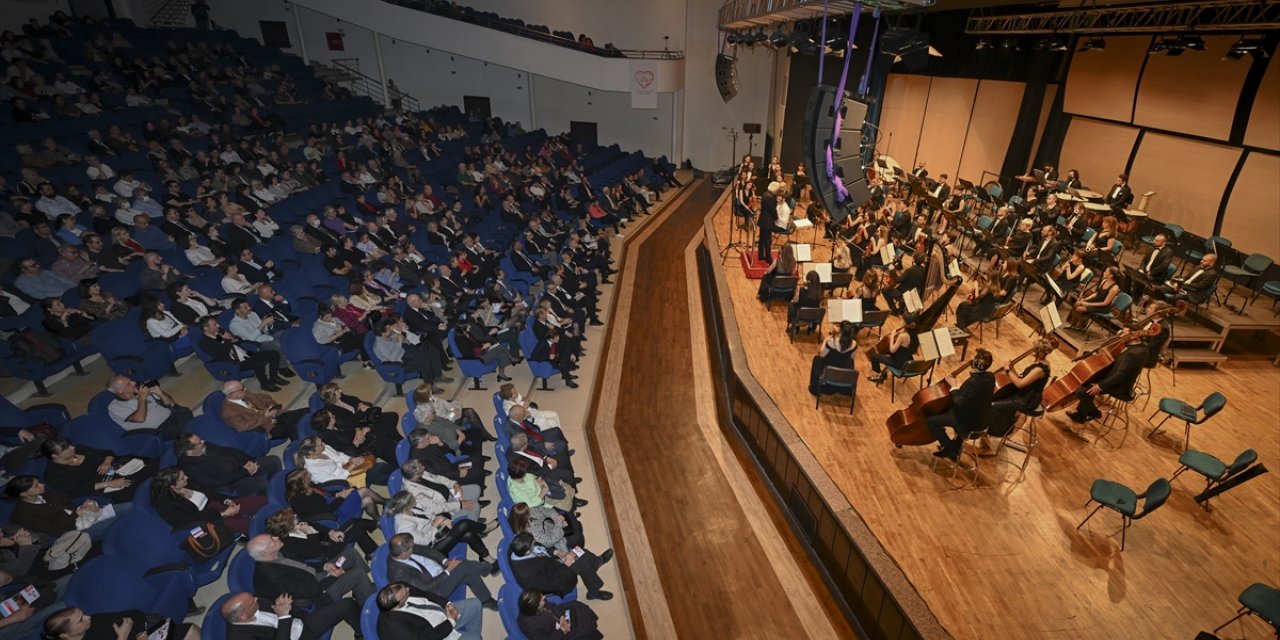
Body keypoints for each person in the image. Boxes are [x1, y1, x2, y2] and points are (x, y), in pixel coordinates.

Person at [245, 533, 374, 610]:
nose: (276, 537)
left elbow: (302, 565)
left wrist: (323, 566)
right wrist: (333, 577)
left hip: (314, 577)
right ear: (264, 552)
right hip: (318, 594)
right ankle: (370, 606)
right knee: (357, 574)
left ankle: (364, 590)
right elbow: (311, 591)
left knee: (350, 553)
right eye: (271, 540)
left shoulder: (278, 553)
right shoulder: (272, 576)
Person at [383, 533, 497, 609]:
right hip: (434, 591)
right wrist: (448, 571)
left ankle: (485, 599)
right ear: (403, 555)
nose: (415, 547)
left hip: (439, 571)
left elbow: (427, 550)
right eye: (412, 548)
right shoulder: (399, 574)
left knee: (469, 573)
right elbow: (425, 588)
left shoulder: (404, 548)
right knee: (465, 566)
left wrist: (445, 561)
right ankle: (491, 568)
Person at [385, 491, 498, 564]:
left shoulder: (411, 508)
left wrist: (440, 519)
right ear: (407, 505)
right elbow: (424, 541)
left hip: (437, 532)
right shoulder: (404, 527)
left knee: (468, 534)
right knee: (464, 524)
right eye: (412, 498)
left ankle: (486, 558)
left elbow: (428, 515)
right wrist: (435, 526)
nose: (415, 497)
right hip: (432, 547)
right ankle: (485, 528)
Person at [982, 340, 1053, 453]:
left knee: (993, 405)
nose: (1032, 350)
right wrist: (1012, 368)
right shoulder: (1039, 363)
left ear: (1038, 352)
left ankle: (997, 433)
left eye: (1034, 349)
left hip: (1027, 399)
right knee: (998, 398)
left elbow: (1020, 384)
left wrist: (1007, 369)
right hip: (1024, 393)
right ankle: (990, 432)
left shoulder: (1039, 369)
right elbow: (1021, 377)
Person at [925, 348, 996, 460]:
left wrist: (954, 386)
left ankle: (950, 449)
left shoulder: (973, 383)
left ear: (974, 364)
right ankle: (955, 447)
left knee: (931, 421)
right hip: (982, 419)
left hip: (968, 423)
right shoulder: (990, 376)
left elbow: (959, 403)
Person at [150, 467, 266, 536]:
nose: (187, 477)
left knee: (261, 501)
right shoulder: (167, 506)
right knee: (251, 525)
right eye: (182, 478)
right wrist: (224, 514)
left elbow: (208, 492)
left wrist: (225, 500)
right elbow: (192, 521)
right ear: (172, 486)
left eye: (184, 475)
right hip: (208, 523)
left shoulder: (187, 483)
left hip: (215, 506)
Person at [1066, 334, 1149, 423]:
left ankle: (1094, 413)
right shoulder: (1141, 348)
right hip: (1117, 379)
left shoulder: (1132, 354)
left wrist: (1100, 386)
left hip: (1120, 387)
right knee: (1089, 382)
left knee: (1082, 392)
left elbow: (1120, 375)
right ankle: (1081, 414)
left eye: (1124, 334)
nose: (1121, 336)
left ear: (1133, 336)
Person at [4, 477, 119, 540]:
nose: (42, 485)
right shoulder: (25, 514)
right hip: (72, 532)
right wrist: (77, 513)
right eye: (36, 486)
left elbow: (66, 502)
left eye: (39, 483)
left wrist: (85, 506)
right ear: (24, 493)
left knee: (126, 509)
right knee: (120, 520)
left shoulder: (44, 493)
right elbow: (53, 530)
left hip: (82, 515)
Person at [509, 532, 613, 602]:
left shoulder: (516, 550)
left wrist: (555, 551)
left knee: (581, 552)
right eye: (532, 543)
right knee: (584, 564)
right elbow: (550, 585)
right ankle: (593, 592)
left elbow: (539, 550)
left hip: (552, 565)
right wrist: (565, 565)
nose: (535, 541)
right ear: (527, 551)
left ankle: (596, 562)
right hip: (556, 580)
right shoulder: (527, 576)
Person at [174, 432, 281, 497]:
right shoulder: (189, 467)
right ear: (189, 452)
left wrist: (247, 461)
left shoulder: (204, 445)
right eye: (199, 442)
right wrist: (244, 472)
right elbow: (214, 482)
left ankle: (278, 484)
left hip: (241, 467)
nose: (203, 441)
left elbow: (230, 451)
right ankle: (274, 497)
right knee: (262, 485)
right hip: (232, 482)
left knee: (273, 460)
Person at [220, 591, 359, 640]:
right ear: (242, 617)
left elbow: (281, 609)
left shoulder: (257, 602)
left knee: (346, 604)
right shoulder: (240, 638)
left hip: (302, 623)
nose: (256, 599)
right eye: (252, 601)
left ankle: (363, 633)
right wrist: (283, 617)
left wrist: (280, 606)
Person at [198, 316, 286, 392]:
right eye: (214, 325)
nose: (218, 325)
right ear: (206, 328)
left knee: (274, 354)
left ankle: (273, 378)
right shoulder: (205, 342)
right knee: (259, 363)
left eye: (217, 323)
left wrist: (233, 339)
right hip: (235, 362)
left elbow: (236, 342)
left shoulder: (218, 333)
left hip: (244, 353)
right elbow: (222, 353)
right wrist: (227, 340)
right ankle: (265, 384)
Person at [264, 508, 376, 567]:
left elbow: (316, 525)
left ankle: (372, 550)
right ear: (288, 526)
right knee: (357, 531)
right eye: (293, 518)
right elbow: (315, 553)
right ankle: (373, 554)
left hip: (326, 540)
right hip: (325, 552)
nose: (295, 516)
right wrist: (310, 534)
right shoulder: (288, 545)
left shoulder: (298, 523)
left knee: (353, 523)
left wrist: (331, 532)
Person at [375, 582, 484, 640]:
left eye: (405, 587)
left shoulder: (398, 587)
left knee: (475, 604)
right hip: (436, 633)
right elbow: (426, 638)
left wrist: (447, 604)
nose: (408, 589)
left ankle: (470, 634)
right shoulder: (396, 628)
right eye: (406, 592)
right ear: (398, 604)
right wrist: (450, 622)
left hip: (442, 612)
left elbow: (425, 594)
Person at [105, 376, 191, 440]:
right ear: (120, 391)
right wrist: (142, 398)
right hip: (157, 430)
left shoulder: (140, 389)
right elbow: (139, 419)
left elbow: (171, 403)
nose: (134, 382)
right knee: (183, 427)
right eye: (129, 384)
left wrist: (160, 393)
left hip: (172, 417)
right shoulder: (115, 407)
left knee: (185, 411)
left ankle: (189, 435)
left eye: (130, 380)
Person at [42, 608, 200, 640]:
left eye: (83, 614)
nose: (88, 617)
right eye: (81, 619)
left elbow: (134, 614)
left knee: (189, 630)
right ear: (65, 635)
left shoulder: (94, 621)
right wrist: (122, 636)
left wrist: (141, 635)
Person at [516, 588, 603, 640]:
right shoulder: (530, 625)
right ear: (535, 606)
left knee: (577, 605)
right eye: (542, 599)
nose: (544, 597)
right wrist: (562, 631)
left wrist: (561, 616)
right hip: (555, 633)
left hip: (556, 618)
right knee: (584, 629)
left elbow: (551, 605)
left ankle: (592, 624)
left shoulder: (535, 603)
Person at [220, 380, 288, 436]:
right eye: (242, 389)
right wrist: (265, 416)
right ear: (233, 394)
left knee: (297, 415)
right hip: (266, 426)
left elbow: (263, 397)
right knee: (293, 428)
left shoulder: (244, 393)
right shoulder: (228, 412)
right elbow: (243, 426)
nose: (245, 389)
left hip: (273, 414)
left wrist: (271, 406)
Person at [867, 313, 919, 384]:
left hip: (899, 363)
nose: (902, 322)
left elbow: (892, 350)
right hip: (907, 359)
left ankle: (879, 376)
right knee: (885, 352)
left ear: (907, 323)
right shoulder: (915, 333)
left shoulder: (903, 336)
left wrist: (892, 336)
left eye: (903, 321)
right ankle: (885, 372)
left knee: (874, 357)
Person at [808, 322, 857, 396]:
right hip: (843, 372)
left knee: (817, 359)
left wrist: (826, 340)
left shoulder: (831, 342)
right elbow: (852, 357)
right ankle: (846, 389)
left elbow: (822, 354)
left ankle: (814, 388)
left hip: (830, 369)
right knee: (851, 362)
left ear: (840, 330)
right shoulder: (854, 344)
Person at [1151, 253, 1218, 306]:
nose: (1201, 261)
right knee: (1158, 288)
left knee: (1175, 297)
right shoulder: (1198, 267)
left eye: (1205, 261)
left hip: (1192, 293)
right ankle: (1160, 307)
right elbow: (1186, 278)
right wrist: (1177, 282)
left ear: (1212, 263)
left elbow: (1199, 286)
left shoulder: (1212, 274)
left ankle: (1168, 312)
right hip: (1183, 287)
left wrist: (1181, 285)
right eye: (1202, 259)